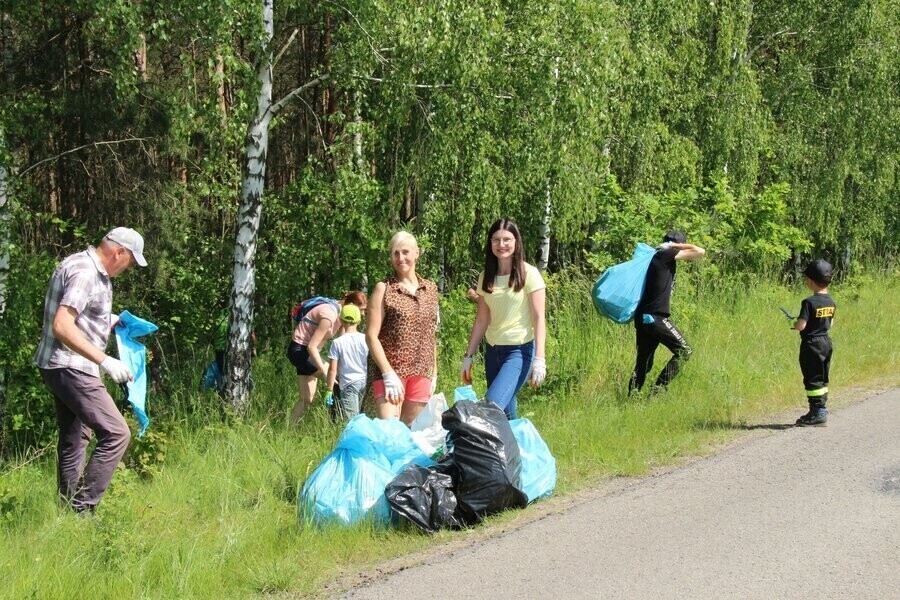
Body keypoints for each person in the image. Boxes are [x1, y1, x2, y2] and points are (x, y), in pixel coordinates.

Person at [33, 227, 147, 514]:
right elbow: (62, 325)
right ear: (118, 252)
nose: (129, 268)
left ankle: (69, 513)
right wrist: (105, 360)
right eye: (130, 261)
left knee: (75, 436)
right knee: (117, 433)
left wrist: (110, 319)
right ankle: (83, 509)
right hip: (72, 366)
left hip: (58, 365)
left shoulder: (80, 264)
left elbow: (78, 314)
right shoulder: (86, 273)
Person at [460, 218, 547, 419]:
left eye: (507, 239)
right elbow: (482, 319)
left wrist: (539, 359)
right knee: (505, 414)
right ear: (490, 243)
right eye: (496, 240)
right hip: (493, 352)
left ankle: (501, 449)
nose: (501, 245)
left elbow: (538, 318)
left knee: (491, 407)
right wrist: (469, 356)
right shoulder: (486, 276)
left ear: (516, 242)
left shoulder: (529, 274)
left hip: (519, 351)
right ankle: (514, 449)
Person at [366, 231, 439, 427]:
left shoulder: (430, 289)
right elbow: (371, 336)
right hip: (390, 372)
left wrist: (434, 372)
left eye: (405, 252)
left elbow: (431, 333)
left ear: (417, 253)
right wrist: (388, 373)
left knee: (413, 432)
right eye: (395, 253)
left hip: (421, 371)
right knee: (389, 433)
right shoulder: (384, 288)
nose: (400, 258)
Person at [628, 231, 705, 394]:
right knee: (684, 352)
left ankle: (632, 398)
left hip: (643, 318)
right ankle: (656, 391)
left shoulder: (654, 257)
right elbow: (700, 251)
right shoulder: (666, 254)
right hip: (656, 317)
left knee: (643, 364)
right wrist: (675, 246)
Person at [287, 291, 367, 424]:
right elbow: (311, 347)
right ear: (352, 305)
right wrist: (326, 372)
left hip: (306, 353)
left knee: (307, 398)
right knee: (336, 379)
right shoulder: (329, 314)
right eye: (362, 310)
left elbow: (343, 340)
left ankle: (288, 430)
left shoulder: (342, 314)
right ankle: (337, 423)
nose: (363, 314)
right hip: (301, 352)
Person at [792, 259, 836, 426]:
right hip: (826, 342)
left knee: (812, 378)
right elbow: (830, 323)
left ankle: (816, 413)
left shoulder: (808, 302)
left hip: (812, 344)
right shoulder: (831, 301)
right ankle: (821, 408)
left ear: (810, 281)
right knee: (823, 376)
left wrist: (795, 324)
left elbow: (801, 325)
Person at [325, 304, 368, 421]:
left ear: (340, 320)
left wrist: (329, 390)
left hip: (349, 384)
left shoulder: (337, 342)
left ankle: (355, 438)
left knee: (352, 420)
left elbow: (332, 369)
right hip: (365, 382)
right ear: (359, 321)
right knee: (363, 417)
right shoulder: (366, 339)